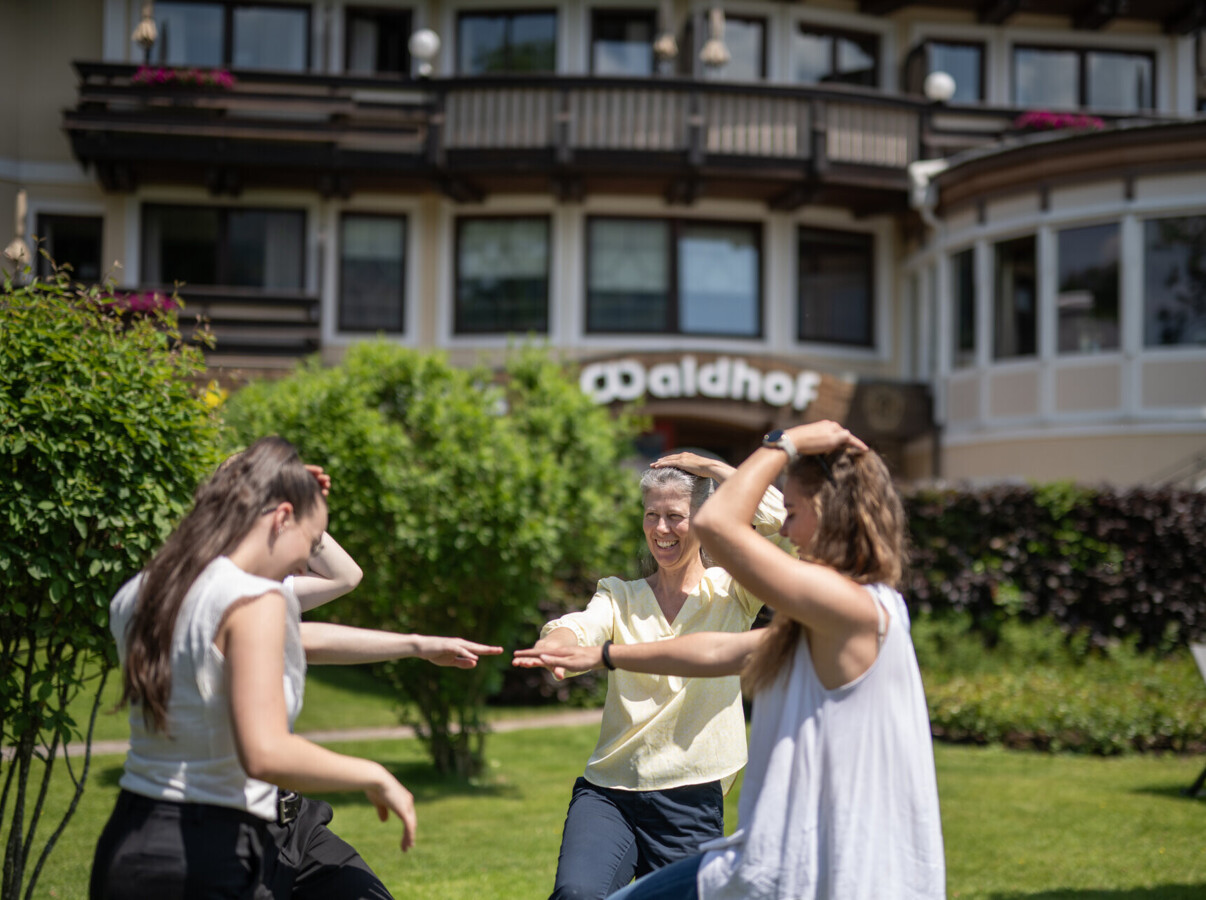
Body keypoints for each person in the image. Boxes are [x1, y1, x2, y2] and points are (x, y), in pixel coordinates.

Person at [521, 422, 946, 900]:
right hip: (756, 839)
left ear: (827, 514)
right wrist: (594, 651)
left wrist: (782, 445)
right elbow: (716, 651)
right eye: (651, 515)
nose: (784, 528)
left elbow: (723, 524)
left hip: (803, 844)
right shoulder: (817, 626)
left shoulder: (838, 606)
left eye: (793, 512)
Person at [90, 436, 498, 899]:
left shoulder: (143, 590)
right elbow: (265, 752)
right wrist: (374, 774)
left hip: (133, 837)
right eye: (311, 539)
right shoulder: (250, 597)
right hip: (211, 845)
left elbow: (289, 639)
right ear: (281, 517)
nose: (307, 559)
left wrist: (416, 644)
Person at [513, 451, 793, 900]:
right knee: (575, 895)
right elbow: (582, 625)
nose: (661, 529)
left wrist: (718, 471)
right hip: (608, 791)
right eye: (652, 515)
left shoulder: (733, 591)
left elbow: (787, 528)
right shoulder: (620, 594)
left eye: (675, 516)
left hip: (690, 797)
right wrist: (559, 641)